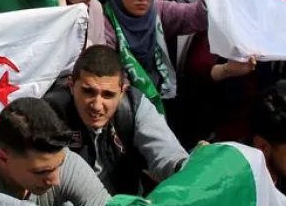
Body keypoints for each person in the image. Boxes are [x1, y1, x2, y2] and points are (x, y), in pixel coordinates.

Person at [42, 45, 189, 196]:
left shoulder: (134, 105)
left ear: (122, 92)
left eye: (108, 95)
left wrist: (190, 169)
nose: (97, 106)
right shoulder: (49, 113)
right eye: (88, 91)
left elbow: (166, 153)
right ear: (71, 85)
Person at [0, 97, 110, 206]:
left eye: (58, 165)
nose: (55, 180)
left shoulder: (57, 159)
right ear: (3, 158)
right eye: (41, 171)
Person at [95, 0, 207, 102]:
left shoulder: (158, 9)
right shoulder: (104, 21)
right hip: (123, 98)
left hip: (161, 92)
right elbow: (110, 70)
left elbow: (198, 16)